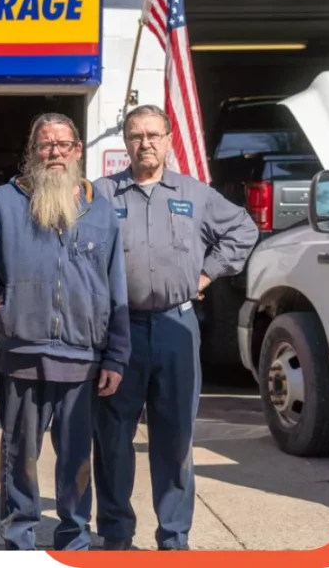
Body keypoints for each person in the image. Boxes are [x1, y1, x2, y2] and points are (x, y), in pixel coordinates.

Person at [0, 112, 131, 553]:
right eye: (44, 144)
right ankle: (19, 541)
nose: (54, 152)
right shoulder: (1, 202)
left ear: (77, 151)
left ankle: (74, 542)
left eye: (63, 144)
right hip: (22, 356)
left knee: (76, 463)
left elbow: (117, 289)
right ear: (32, 152)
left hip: (83, 361)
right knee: (20, 459)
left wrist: (116, 356)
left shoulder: (102, 211)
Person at [92, 104, 259, 551]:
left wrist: (205, 274)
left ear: (168, 140)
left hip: (176, 328)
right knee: (112, 438)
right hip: (118, 332)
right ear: (124, 143)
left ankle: (174, 536)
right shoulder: (101, 194)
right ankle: (115, 533)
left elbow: (243, 229)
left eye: (152, 135)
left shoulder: (196, 194)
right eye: (134, 135)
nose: (144, 143)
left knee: (175, 436)